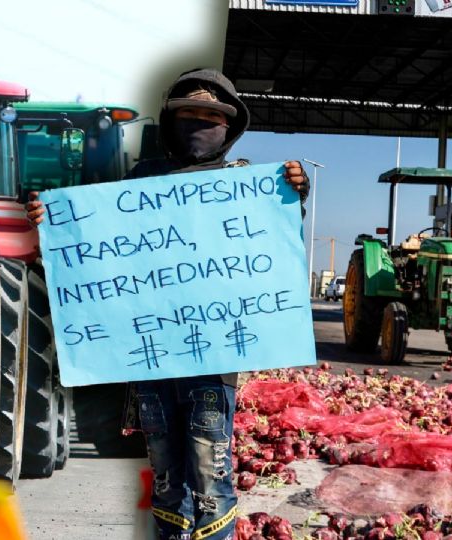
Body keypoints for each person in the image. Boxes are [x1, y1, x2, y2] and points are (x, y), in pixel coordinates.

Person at [26, 68, 309, 540]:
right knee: (164, 469)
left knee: (208, 469)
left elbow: (272, 242)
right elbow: (98, 244)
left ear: (230, 126)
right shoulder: (143, 179)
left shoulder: (245, 183)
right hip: (153, 361)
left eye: (212, 117)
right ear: (170, 120)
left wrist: (295, 192)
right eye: (189, 115)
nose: (200, 124)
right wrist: (51, 222)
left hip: (214, 361)